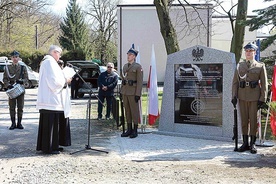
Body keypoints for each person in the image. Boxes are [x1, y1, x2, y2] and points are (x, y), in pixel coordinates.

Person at [231, 42, 268, 154]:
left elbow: (265, 84)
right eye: (246, 51)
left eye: (250, 51)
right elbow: (235, 82)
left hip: (254, 97)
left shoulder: (260, 66)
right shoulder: (239, 66)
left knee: (253, 120)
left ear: (254, 52)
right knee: (243, 120)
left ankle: (252, 143)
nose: (248, 53)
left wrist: (263, 98)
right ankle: (245, 142)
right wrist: (234, 96)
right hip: (242, 97)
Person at [36, 45, 72, 154]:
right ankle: (49, 147)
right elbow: (54, 82)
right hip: (51, 99)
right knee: (51, 125)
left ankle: (54, 145)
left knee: (54, 124)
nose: (60, 56)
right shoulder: (49, 62)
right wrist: (66, 80)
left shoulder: (49, 62)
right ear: (55, 52)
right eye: (59, 53)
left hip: (52, 99)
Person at [120, 48, 143, 138]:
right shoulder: (125, 66)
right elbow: (124, 78)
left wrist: (138, 94)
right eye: (128, 55)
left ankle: (135, 129)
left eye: (130, 55)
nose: (128, 56)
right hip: (125, 91)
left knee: (134, 111)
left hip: (133, 92)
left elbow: (140, 82)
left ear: (134, 56)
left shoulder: (138, 67)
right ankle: (129, 129)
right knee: (127, 111)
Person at [3, 50, 28, 130]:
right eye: (13, 57)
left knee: (20, 107)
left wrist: (22, 81)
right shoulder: (8, 68)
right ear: (11, 58)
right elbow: (5, 79)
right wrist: (8, 85)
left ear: (19, 58)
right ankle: (13, 123)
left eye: (16, 57)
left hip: (20, 89)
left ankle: (19, 123)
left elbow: (26, 79)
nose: (15, 59)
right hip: (12, 90)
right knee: (12, 107)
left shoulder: (22, 67)